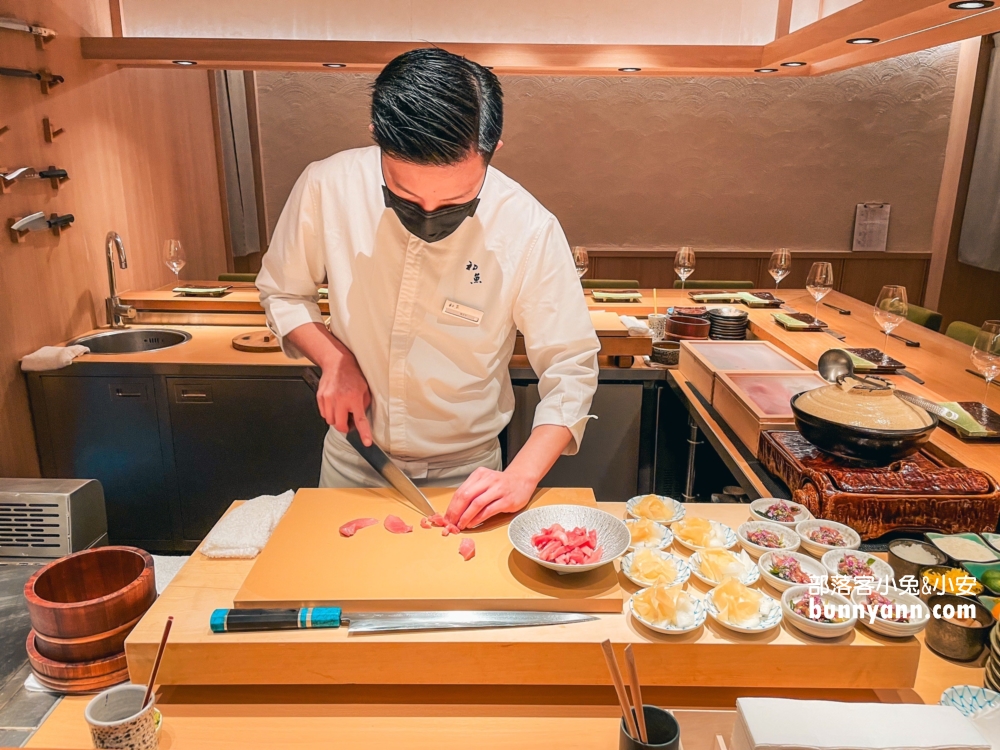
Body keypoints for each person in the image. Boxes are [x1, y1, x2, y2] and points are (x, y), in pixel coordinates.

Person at [257, 48, 599, 530]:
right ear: (377, 138)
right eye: (405, 196)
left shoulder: (528, 227)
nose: (430, 214)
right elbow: (282, 293)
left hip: (471, 473)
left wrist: (522, 475)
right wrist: (334, 358)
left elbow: (571, 366)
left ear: (493, 148)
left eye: (457, 200)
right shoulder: (326, 186)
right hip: (356, 459)